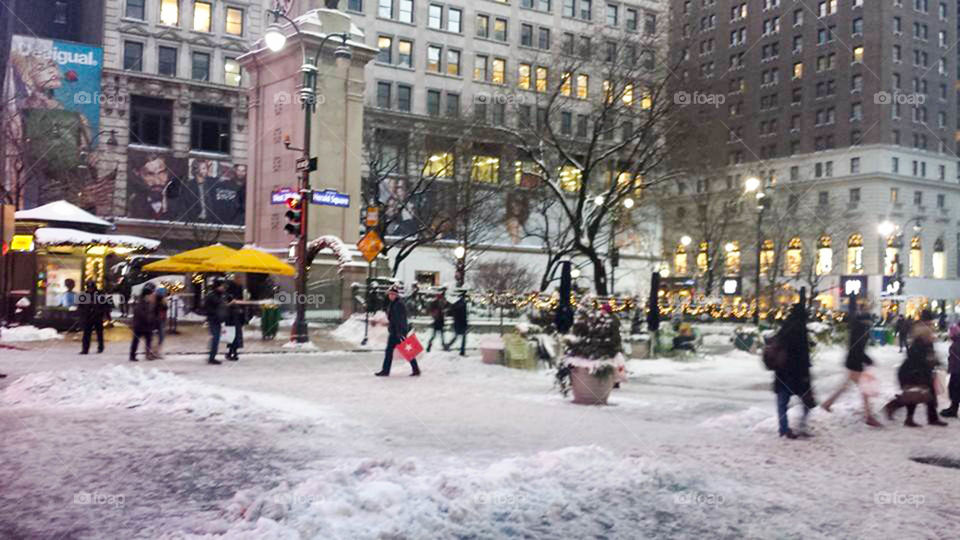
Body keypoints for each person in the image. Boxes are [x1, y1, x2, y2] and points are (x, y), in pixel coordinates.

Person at [883, 310, 948, 427]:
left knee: (924, 395)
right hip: (913, 372)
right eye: (929, 323)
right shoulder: (921, 337)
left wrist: (936, 362)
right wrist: (928, 364)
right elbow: (917, 356)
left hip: (918, 371)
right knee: (914, 395)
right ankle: (894, 407)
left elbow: (930, 355)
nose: (931, 326)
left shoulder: (925, 335)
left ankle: (929, 418)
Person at [821, 312, 882, 426]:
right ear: (865, 321)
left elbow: (856, 348)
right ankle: (868, 416)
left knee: (845, 387)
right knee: (864, 390)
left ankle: (827, 404)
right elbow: (857, 349)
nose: (870, 323)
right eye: (869, 320)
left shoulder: (858, 329)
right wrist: (868, 360)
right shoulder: (860, 330)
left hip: (853, 362)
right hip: (855, 363)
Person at [772, 300, 817, 439]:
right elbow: (802, 355)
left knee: (782, 403)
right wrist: (806, 376)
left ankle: (783, 429)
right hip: (797, 374)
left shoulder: (785, 327)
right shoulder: (800, 330)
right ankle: (801, 426)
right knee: (807, 402)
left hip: (783, 372)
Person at [375, 285, 421, 377]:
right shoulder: (393, 303)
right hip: (394, 331)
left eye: (393, 294)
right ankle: (385, 370)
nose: (391, 296)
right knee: (390, 351)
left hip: (398, 332)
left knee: (407, 350)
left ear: (396, 295)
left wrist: (401, 332)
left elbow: (401, 319)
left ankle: (415, 370)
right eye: (390, 294)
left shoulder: (398, 304)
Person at [79, 280, 110, 355]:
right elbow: (80, 306)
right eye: (89, 288)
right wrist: (83, 314)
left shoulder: (100, 294)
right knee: (86, 334)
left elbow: (105, 305)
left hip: (97, 317)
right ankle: (85, 349)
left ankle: (100, 347)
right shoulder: (84, 295)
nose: (90, 289)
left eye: (91, 288)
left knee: (99, 333)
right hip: (88, 317)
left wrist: (106, 314)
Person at [129, 284, 156, 362]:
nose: (151, 296)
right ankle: (132, 355)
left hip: (145, 325)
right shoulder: (141, 303)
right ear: (146, 295)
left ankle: (147, 354)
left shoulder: (147, 302)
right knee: (136, 341)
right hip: (140, 325)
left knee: (148, 340)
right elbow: (141, 313)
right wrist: (149, 319)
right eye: (150, 294)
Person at [204, 280, 228, 365]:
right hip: (213, 319)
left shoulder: (219, 295)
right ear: (217, 286)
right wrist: (214, 314)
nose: (223, 288)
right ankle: (211, 357)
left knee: (215, 338)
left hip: (217, 320)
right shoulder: (212, 296)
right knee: (215, 338)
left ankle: (212, 356)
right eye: (222, 286)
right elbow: (208, 308)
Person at [940, 324, 960, 417]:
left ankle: (953, 409)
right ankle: (953, 408)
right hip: (956, 371)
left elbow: (955, 359)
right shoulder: (956, 343)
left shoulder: (956, 344)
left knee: (954, 389)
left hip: (957, 371)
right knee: (954, 389)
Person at [225, 281, 244, 361]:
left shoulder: (227, 294)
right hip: (236, 318)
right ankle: (233, 353)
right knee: (235, 335)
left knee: (231, 335)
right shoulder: (237, 295)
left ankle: (231, 352)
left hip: (231, 318)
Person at [445, 290, 468, 356]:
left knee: (457, 336)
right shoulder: (462, 304)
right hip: (461, 323)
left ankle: (449, 346)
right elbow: (463, 315)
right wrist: (465, 323)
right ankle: (462, 351)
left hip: (458, 323)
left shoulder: (457, 304)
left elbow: (455, 314)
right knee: (462, 337)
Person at [153, 287, 169, 359]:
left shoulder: (160, 301)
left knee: (160, 337)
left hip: (160, 320)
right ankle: (156, 352)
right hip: (159, 321)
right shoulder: (160, 302)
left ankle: (156, 352)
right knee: (160, 337)